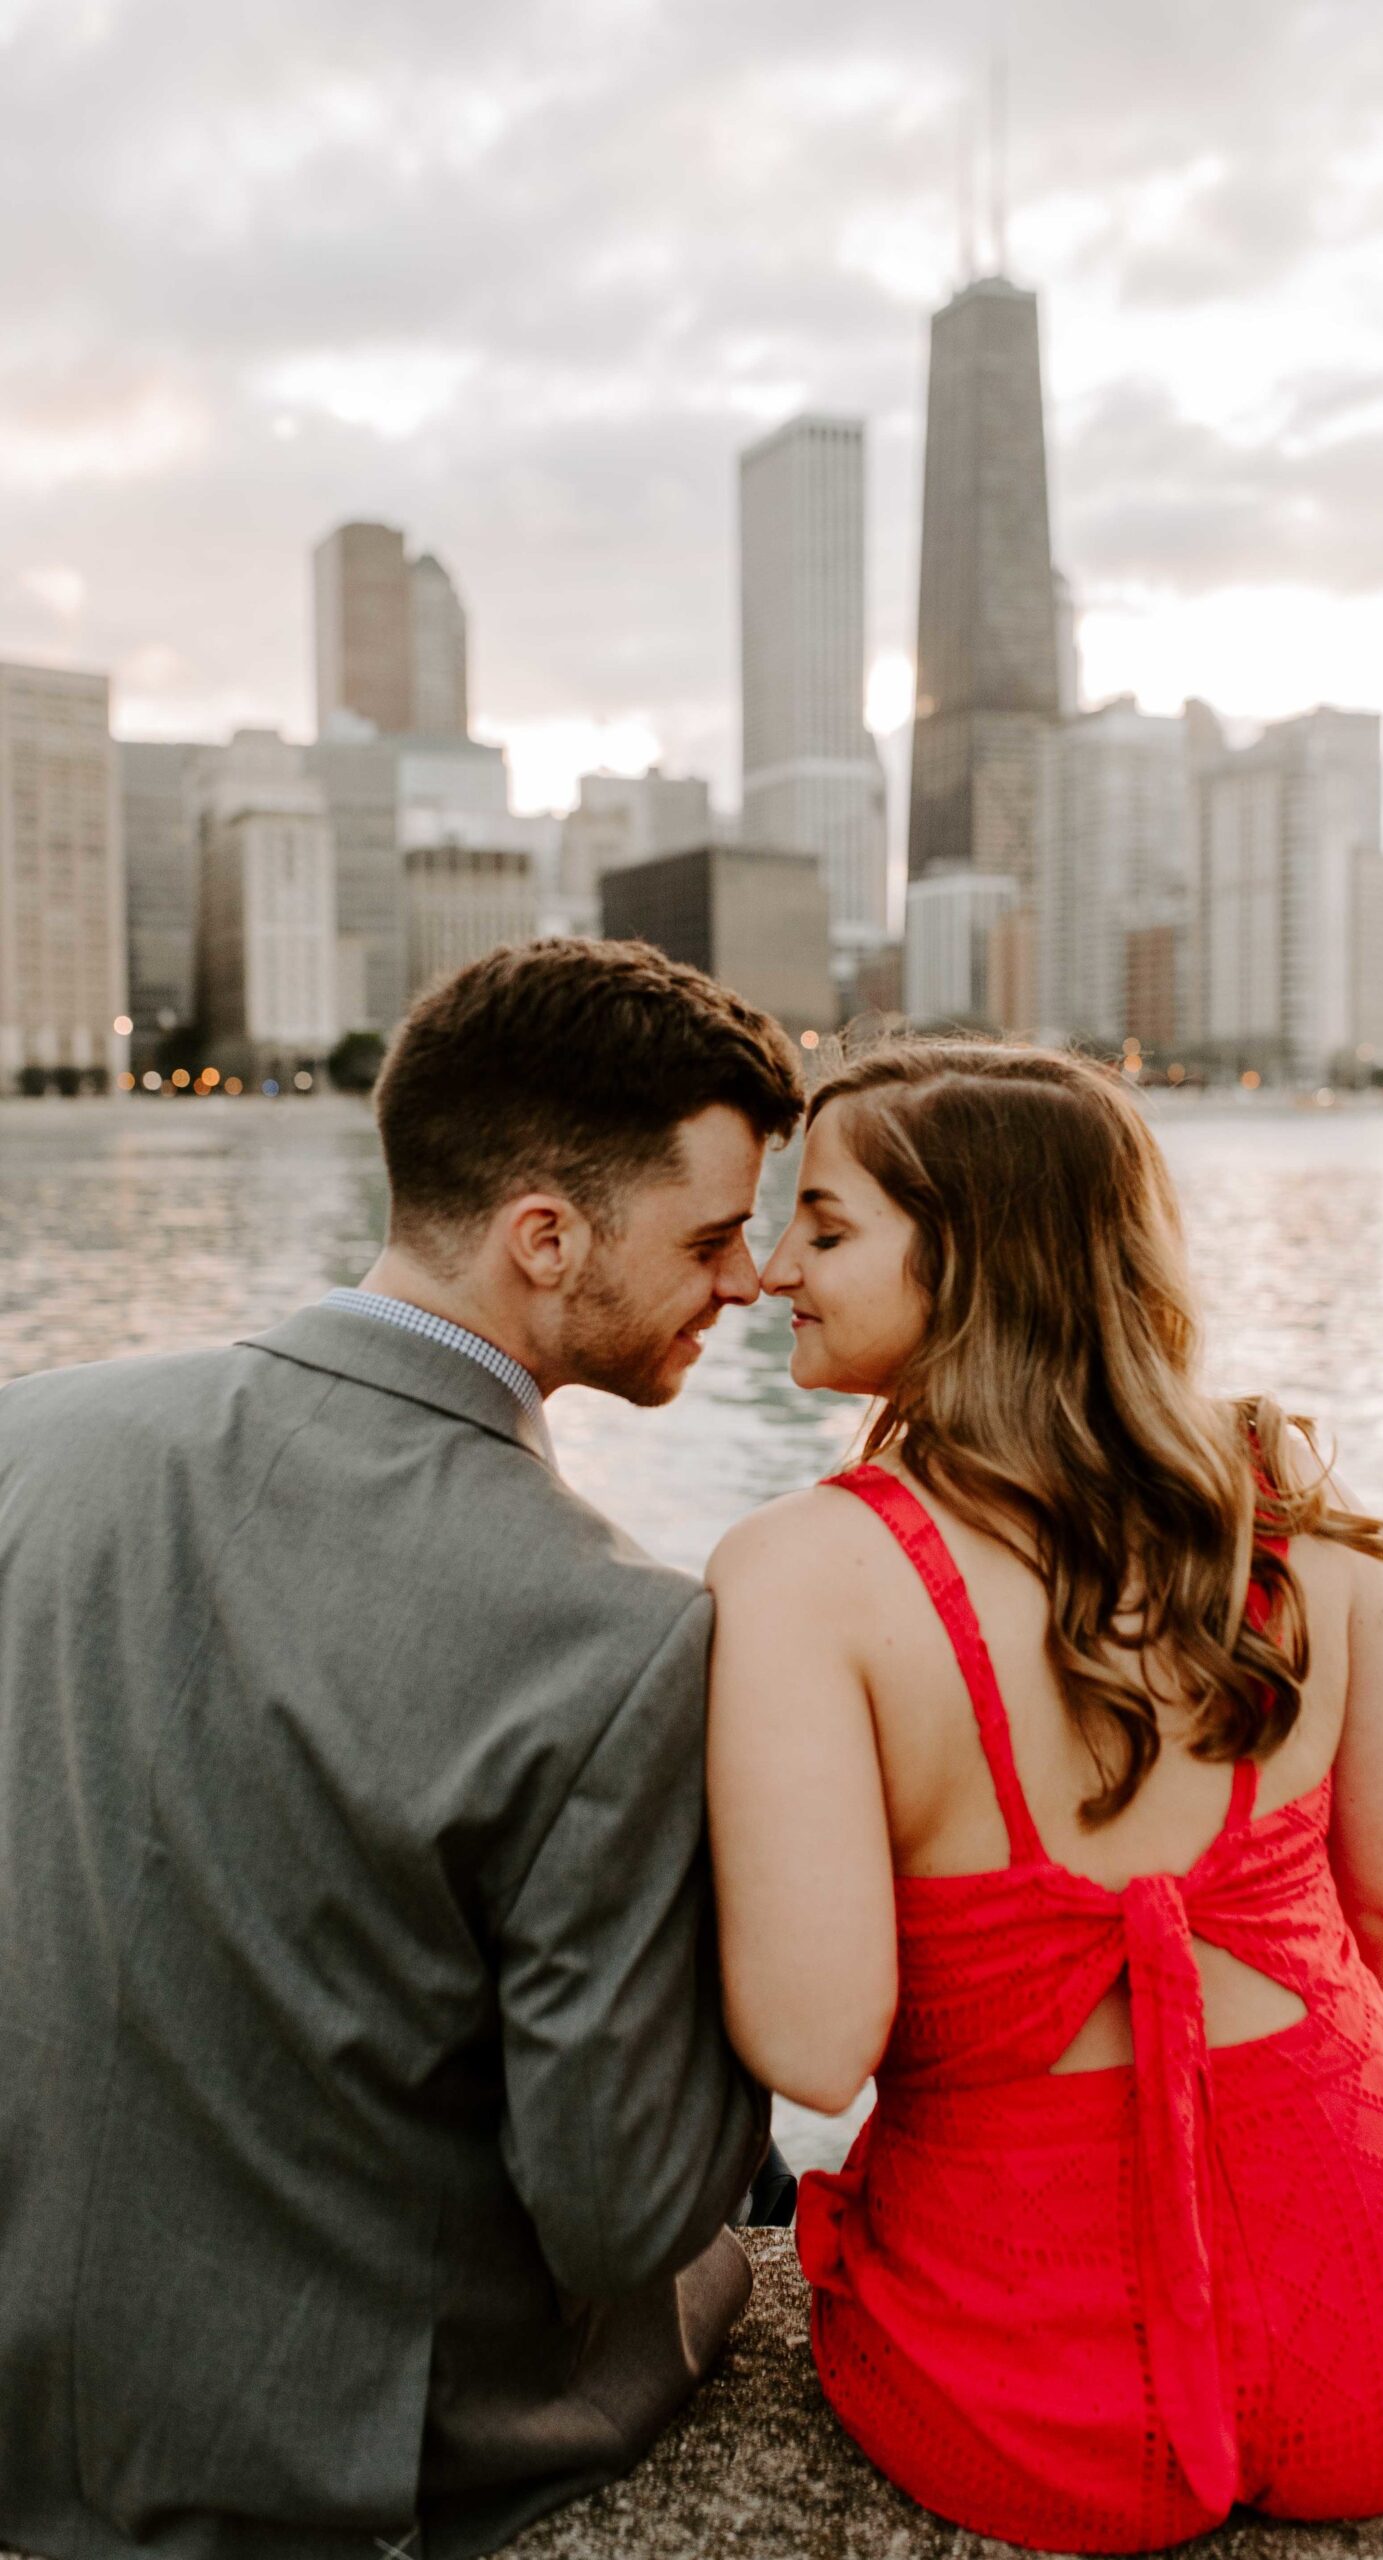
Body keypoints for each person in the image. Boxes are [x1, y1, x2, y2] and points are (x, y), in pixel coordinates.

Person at [0, 939, 802, 2560]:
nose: (749, 1281)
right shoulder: (619, 1634)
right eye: (713, 1236)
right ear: (545, 1235)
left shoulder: (32, 1434)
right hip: (326, 2455)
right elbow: (616, 2210)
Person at [706, 1040, 1383, 2554]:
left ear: (976, 1256)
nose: (773, 1271)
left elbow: (815, 2048)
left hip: (1022, 2386)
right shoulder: (1289, 1500)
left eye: (824, 1229)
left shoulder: (803, 1574)